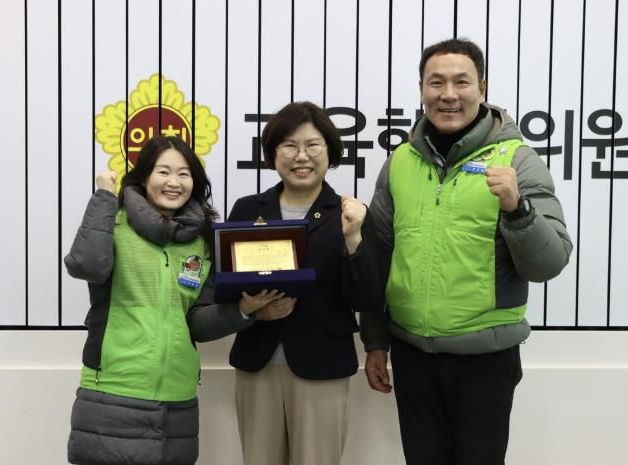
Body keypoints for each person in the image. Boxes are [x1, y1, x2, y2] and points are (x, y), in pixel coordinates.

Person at [359, 38, 573, 465]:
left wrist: (518, 208)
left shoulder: (517, 160)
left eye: (461, 82)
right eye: (436, 82)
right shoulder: (400, 161)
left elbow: (550, 263)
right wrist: (376, 342)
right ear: (422, 89)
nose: (448, 94)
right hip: (412, 355)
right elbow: (378, 258)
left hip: (485, 361)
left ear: (482, 88)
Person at [65, 135, 280, 465]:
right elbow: (87, 266)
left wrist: (243, 310)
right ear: (143, 177)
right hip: (113, 391)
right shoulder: (115, 223)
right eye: (163, 172)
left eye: (184, 174)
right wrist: (104, 197)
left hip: (178, 400)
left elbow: (196, 323)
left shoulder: (203, 242)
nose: (174, 182)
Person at [226, 101, 382, 465]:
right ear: (273, 153)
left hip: (322, 365)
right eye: (289, 145)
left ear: (330, 151)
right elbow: (225, 286)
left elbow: (367, 297)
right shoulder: (247, 210)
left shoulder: (350, 213)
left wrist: (354, 239)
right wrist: (252, 311)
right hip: (257, 362)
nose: (301, 156)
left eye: (313, 145)